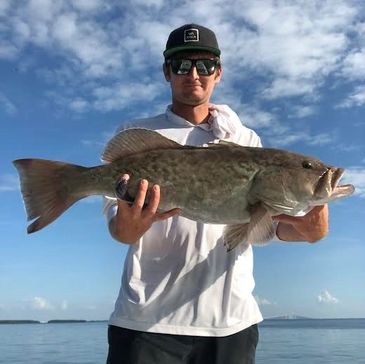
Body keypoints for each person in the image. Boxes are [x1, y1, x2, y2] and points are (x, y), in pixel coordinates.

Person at [104, 24, 329, 364]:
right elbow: (122, 233)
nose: (193, 74)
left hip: (231, 326)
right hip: (146, 325)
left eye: (205, 65)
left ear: (218, 73)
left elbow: (266, 225)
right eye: (181, 65)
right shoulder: (137, 134)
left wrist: (311, 231)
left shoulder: (246, 139)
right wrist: (134, 221)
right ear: (167, 72)